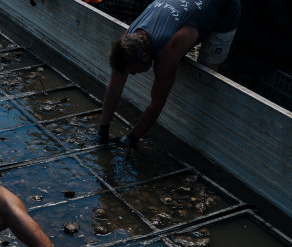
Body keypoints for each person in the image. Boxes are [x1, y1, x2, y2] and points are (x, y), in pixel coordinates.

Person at [98, 0, 241, 147]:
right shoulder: (127, 40)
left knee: (206, 75)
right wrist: (103, 130)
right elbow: (115, 86)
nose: (132, 74)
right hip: (189, 13)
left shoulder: (166, 55)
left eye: (132, 70)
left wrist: (132, 138)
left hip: (225, 8)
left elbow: (157, 103)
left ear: (145, 56)